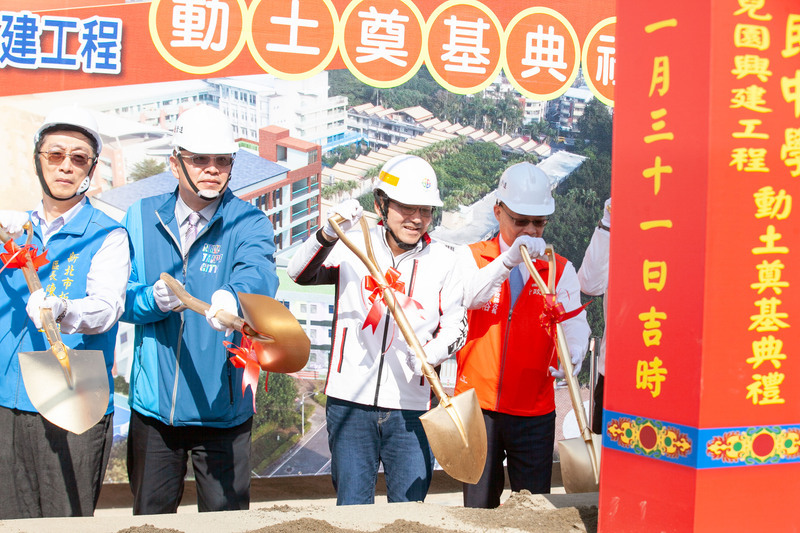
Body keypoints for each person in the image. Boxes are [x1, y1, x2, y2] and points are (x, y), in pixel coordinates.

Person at [122, 105, 278, 514]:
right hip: (155, 411)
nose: (212, 169)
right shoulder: (140, 216)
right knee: (150, 523)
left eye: (222, 160)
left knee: (226, 523)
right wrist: (149, 301)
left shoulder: (249, 222)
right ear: (175, 163)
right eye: (199, 159)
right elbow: (118, 299)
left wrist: (232, 297)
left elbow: (260, 276)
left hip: (222, 410)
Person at [288, 154, 467, 506]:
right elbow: (298, 273)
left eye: (427, 210)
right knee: (353, 509)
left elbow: (457, 325)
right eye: (406, 208)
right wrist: (327, 232)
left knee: (410, 510)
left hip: (412, 409)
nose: (417, 219)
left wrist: (431, 353)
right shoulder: (352, 246)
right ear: (381, 204)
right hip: (349, 403)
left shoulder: (447, 260)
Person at [0, 106, 130, 518]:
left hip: (73, 399)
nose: (66, 167)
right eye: (55, 155)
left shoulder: (108, 233)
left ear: (91, 169)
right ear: (39, 160)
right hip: (7, 398)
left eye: (79, 158)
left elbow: (107, 308)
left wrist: (61, 309)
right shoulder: (13, 231)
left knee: (64, 519)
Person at [455, 162, 590, 509]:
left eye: (539, 223)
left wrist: (573, 354)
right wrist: (506, 263)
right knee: (478, 510)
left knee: (534, 509)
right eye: (520, 221)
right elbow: (470, 296)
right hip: (478, 406)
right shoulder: (472, 258)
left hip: (533, 410)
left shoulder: (559, 268)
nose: (530, 231)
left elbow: (575, 322)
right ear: (498, 211)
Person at [577, 198, 610, 435]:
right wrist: (608, 224)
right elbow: (589, 284)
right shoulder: (619, 234)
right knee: (607, 465)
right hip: (615, 373)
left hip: (669, 374)